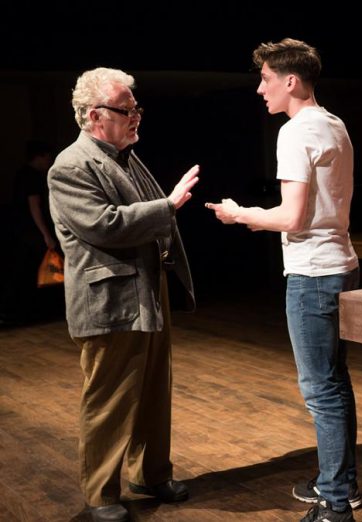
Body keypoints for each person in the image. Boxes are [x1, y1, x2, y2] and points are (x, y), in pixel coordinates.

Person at [206, 38, 361, 522]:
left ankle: (335, 502)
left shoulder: (295, 133)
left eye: (266, 79)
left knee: (321, 389)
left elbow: (292, 219)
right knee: (335, 382)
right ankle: (340, 483)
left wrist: (239, 214)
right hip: (342, 265)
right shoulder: (333, 123)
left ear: (290, 81)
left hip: (314, 274)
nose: (260, 89)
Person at [47, 67, 199, 522]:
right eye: (126, 109)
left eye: (136, 108)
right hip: (108, 300)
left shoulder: (125, 156)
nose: (136, 116)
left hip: (145, 292)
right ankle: (100, 495)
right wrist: (167, 206)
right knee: (109, 400)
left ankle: (150, 473)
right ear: (95, 115)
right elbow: (103, 225)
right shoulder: (70, 166)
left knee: (154, 389)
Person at [0, 140, 59, 326]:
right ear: (40, 156)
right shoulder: (32, 176)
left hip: (21, 231)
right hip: (31, 233)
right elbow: (34, 206)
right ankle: (30, 313)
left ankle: (20, 313)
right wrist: (46, 235)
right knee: (32, 271)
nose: (50, 161)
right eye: (48, 157)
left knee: (23, 271)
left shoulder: (21, 174)